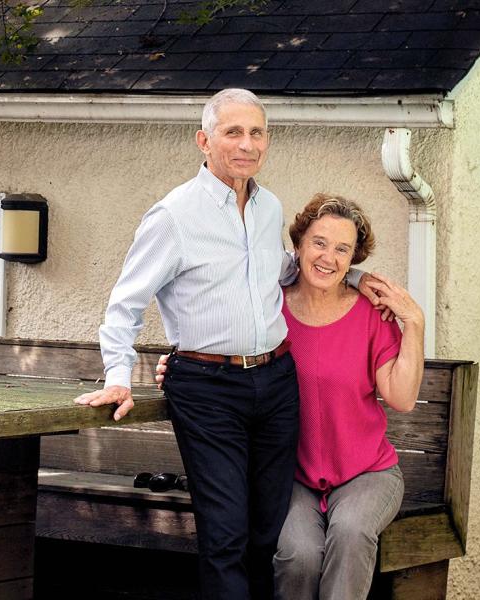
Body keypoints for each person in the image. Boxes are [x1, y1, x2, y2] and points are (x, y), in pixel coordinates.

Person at [73, 89, 382, 600]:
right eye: (232, 132)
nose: (246, 143)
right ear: (205, 140)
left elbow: (286, 269)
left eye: (256, 132)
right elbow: (124, 305)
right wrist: (118, 377)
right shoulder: (174, 216)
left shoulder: (269, 208)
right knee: (225, 535)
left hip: (277, 381)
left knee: (270, 534)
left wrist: (357, 275)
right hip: (207, 389)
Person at [271, 193, 424, 600]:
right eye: (319, 242)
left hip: (368, 474)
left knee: (352, 532)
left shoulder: (371, 314)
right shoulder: (271, 310)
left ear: (354, 258)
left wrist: (416, 323)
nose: (328, 257)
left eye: (343, 249)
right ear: (299, 245)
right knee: (298, 553)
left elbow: (402, 397)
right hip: (295, 478)